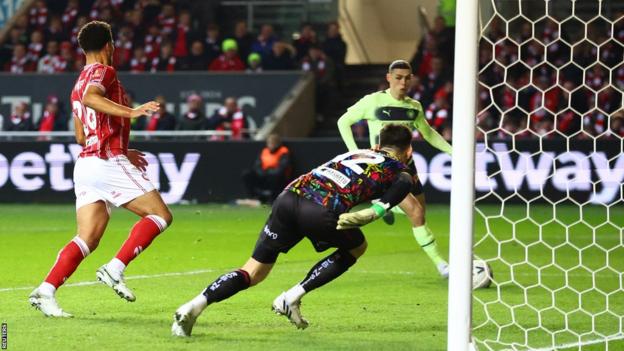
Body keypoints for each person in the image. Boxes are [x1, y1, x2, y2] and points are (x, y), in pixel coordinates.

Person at [172, 124, 416, 336]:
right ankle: (292, 296)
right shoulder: (397, 167)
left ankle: (193, 306)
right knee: (357, 247)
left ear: (377, 145)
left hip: (288, 198)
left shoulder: (354, 153)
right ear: (409, 151)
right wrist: (377, 211)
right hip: (320, 210)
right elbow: (404, 182)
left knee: (253, 271)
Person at [28, 21, 172, 318]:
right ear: (110, 45)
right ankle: (114, 268)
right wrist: (133, 112)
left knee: (87, 238)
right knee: (160, 215)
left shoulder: (77, 82)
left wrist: (121, 144)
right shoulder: (104, 72)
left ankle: (45, 291)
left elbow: (81, 136)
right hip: (106, 160)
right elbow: (91, 98)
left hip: (87, 162)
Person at [337, 59, 452, 278]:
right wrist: (355, 152)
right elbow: (343, 122)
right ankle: (442, 265)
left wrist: (452, 152)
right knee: (416, 213)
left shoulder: (413, 106)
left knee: (420, 213)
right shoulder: (373, 101)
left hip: (408, 165)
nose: (403, 82)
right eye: (398, 77)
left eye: (407, 78)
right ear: (389, 78)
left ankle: (388, 206)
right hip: (386, 168)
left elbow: (428, 133)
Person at [241, 134, 291, 204]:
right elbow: (257, 165)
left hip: (277, 177)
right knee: (247, 174)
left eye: (272, 143)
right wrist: (262, 173)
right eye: (269, 143)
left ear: (277, 144)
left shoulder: (283, 151)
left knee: (275, 177)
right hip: (263, 175)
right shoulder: (264, 151)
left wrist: (269, 172)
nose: (270, 145)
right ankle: (254, 197)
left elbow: (282, 168)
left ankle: (271, 198)